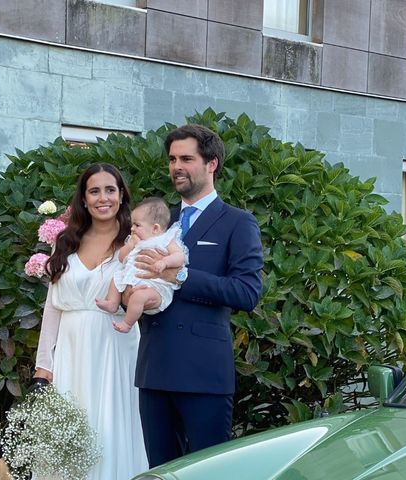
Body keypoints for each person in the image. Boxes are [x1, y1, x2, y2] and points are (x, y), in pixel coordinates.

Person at [131, 124, 264, 468]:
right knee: (161, 472)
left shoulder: (238, 222)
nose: (176, 166)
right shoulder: (159, 222)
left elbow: (247, 293)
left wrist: (182, 276)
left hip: (204, 375)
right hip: (154, 370)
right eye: (172, 158)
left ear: (212, 164)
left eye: (187, 158)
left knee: (211, 473)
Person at [33, 163, 149, 479]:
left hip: (115, 347)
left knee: (111, 428)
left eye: (110, 190)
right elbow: (53, 307)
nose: (103, 198)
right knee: (67, 435)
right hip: (69, 351)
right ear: (83, 199)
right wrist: (44, 365)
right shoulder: (66, 241)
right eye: (94, 191)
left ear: (121, 195)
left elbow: (147, 295)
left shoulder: (135, 240)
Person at [95, 197, 186, 333]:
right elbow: (121, 258)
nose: (132, 228)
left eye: (137, 225)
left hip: (156, 287)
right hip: (133, 279)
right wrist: (130, 245)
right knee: (116, 277)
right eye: (132, 224)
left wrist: (164, 262)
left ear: (155, 228)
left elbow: (180, 257)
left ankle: (127, 323)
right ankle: (113, 302)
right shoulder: (134, 240)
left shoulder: (165, 240)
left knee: (139, 297)